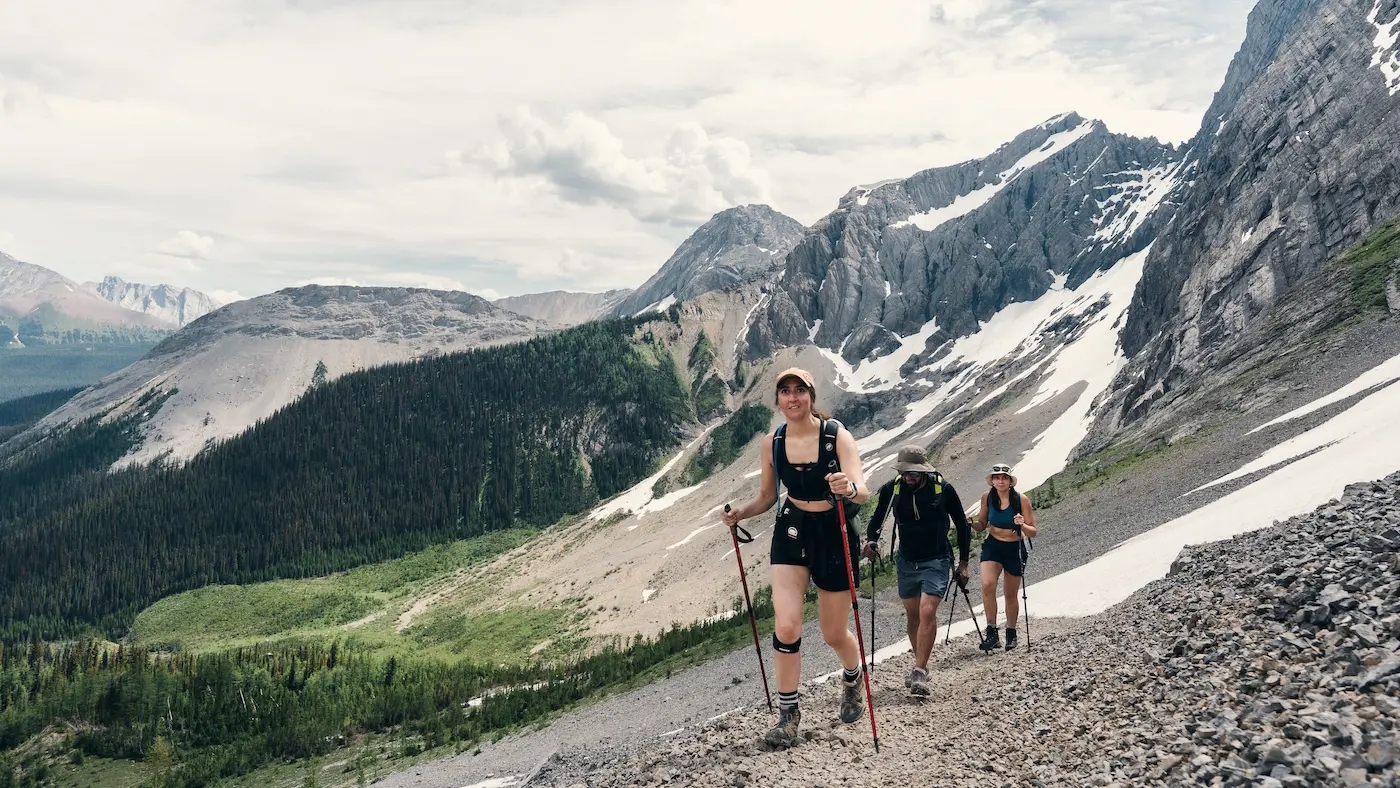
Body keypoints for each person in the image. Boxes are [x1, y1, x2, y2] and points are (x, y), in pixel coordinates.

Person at [721, 367, 871, 748]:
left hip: (834, 531)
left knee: (833, 632)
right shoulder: (772, 443)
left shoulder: (836, 434)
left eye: (799, 390)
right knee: (787, 626)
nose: (792, 397)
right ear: (778, 400)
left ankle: (853, 677)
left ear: (811, 396)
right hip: (792, 527)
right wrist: (740, 513)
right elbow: (769, 496)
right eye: (784, 391)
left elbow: (862, 490)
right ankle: (789, 716)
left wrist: (847, 486)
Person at [861, 444, 970, 696]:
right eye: (904, 472)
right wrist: (871, 540)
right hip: (907, 560)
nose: (908, 477)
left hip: (937, 558)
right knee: (913, 615)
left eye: (913, 473)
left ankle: (919, 670)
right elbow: (877, 519)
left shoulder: (943, 489)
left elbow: (962, 525)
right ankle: (921, 662)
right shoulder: (893, 488)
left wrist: (963, 563)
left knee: (927, 610)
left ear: (923, 472)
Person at [972, 463, 1037, 650]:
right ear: (992, 481)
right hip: (993, 544)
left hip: (1014, 546)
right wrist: (971, 524)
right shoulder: (987, 497)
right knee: (987, 585)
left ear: (1010, 481)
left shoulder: (1021, 500)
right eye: (997, 477)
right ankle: (992, 633)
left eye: (1004, 478)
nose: (1000, 481)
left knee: (1010, 593)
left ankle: (1011, 632)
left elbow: (1033, 531)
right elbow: (982, 524)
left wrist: (1022, 525)